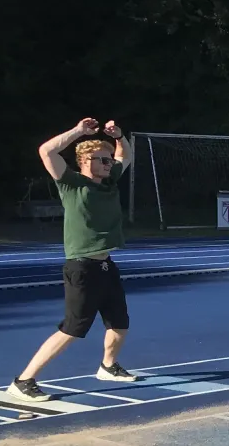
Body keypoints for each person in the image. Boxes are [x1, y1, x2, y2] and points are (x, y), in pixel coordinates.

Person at [8, 119, 140, 402]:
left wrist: (119, 137)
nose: (107, 163)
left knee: (119, 322)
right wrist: (79, 131)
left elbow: (125, 156)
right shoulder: (71, 183)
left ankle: (108, 366)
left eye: (108, 159)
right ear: (83, 161)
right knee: (73, 328)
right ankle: (23, 381)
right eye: (101, 159)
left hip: (105, 265)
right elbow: (46, 151)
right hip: (82, 266)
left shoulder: (110, 180)